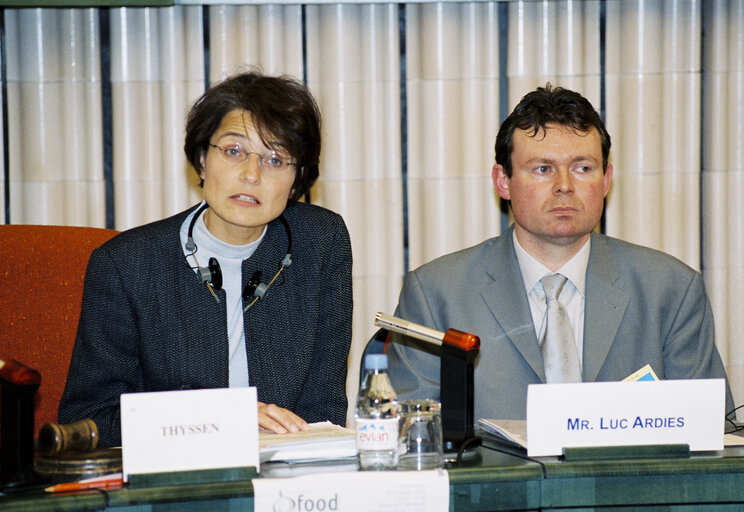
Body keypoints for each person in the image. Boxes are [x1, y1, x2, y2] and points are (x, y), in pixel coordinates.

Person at [383, 84, 734, 420]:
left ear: (606, 179)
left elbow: (712, 434)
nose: (564, 186)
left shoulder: (669, 290)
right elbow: (412, 437)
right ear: (503, 181)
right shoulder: (437, 293)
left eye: (583, 168)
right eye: (542, 169)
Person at [59, 70, 353, 447]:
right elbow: (88, 423)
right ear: (201, 161)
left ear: (296, 183)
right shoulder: (126, 265)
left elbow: (322, 411)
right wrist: (225, 417)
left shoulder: (320, 242)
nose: (251, 174)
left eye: (275, 159)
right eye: (233, 151)